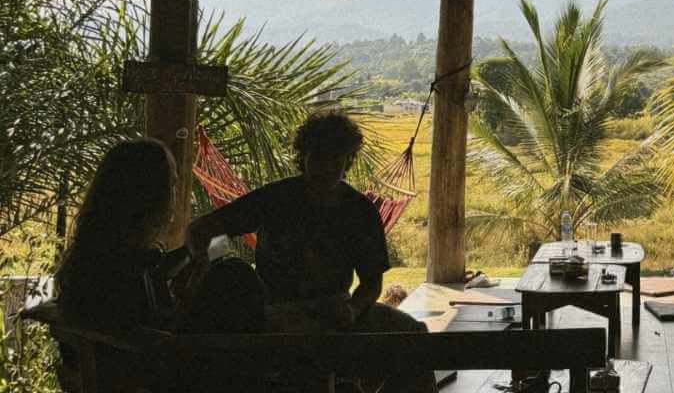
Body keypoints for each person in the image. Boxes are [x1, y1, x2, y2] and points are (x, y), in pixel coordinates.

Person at [186, 110, 434, 392]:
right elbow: (201, 229)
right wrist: (202, 262)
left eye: (335, 160)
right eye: (318, 158)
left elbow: (371, 284)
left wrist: (353, 308)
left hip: (335, 310)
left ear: (347, 162)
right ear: (303, 157)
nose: (325, 168)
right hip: (274, 313)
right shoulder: (276, 199)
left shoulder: (360, 212)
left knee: (416, 340)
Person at [56, 138, 178, 332]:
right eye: (171, 185)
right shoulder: (128, 269)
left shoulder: (91, 257)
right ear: (150, 196)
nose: (174, 195)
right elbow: (152, 336)